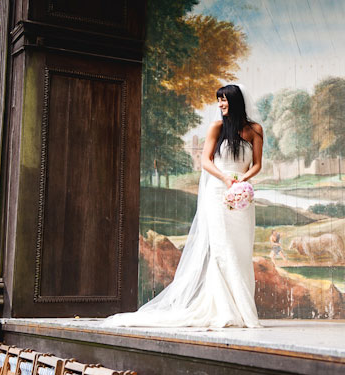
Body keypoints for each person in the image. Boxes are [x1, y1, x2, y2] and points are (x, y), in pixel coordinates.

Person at [102, 84, 263, 328]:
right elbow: (206, 162)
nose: (220, 105)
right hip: (218, 192)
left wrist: (242, 181)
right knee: (222, 249)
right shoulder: (217, 128)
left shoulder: (255, 130)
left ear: (235, 101)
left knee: (241, 250)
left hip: (242, 195)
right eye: (218, 100)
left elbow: (257, 164)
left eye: (224, 100)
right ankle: (226, 310)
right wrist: (226, 179)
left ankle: (243, 309)